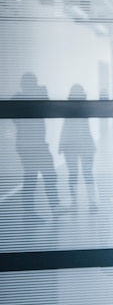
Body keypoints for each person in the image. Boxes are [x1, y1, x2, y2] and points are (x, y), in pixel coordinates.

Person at [13, 72, 60, 218]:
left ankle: (50, 207)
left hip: (34, 143)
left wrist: (42, 95)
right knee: (35, 177)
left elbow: (47, 111)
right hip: (29, 144)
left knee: (41, 175)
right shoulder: (18, 99)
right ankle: (36, 211)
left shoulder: (33, 97)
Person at [59, 84, 97, 212]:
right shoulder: (70, 108)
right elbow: (66, 127)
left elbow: (81, 128)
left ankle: (90, 202)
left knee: (85, 174)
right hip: (72, 146)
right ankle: (78, 201)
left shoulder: (84, 107)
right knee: (75, 174)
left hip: (82, 146)